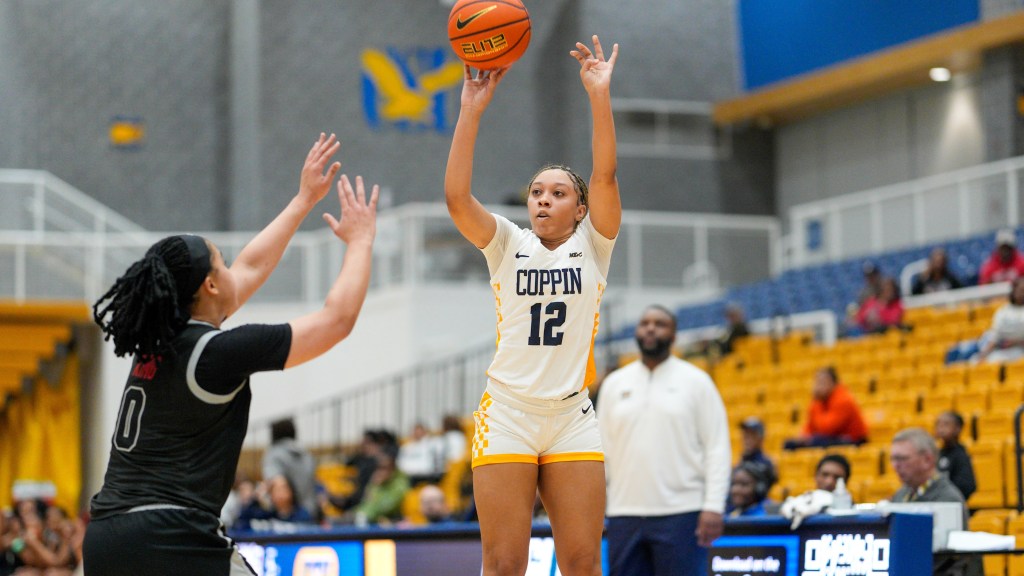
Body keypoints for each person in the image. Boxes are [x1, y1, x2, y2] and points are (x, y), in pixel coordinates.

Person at [82, 133, 379, 576]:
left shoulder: (157, 342)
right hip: (170, 536)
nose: (231, 268)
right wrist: (361, 242)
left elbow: (251, 267)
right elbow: (336, 321)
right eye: (221, 262)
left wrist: (303, 200)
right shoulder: (218, 354)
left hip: (105, 539)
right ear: (210, 285)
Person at [444, 35, 620, 576]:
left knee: (583, 562)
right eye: (537, 191)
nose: (544, 198)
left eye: (558, 193)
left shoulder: (594, 243)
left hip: (571, 414)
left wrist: (598, 95)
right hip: (508, 411)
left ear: (580, 208)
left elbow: (606, 175)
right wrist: (471, 111)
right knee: (503, 564)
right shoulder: (505, 241)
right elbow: (457, 198)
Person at [598, 305, 732, 576]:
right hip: (623, 513)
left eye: (660, 324)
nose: (650, 328)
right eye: (644, 323)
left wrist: (713, 506)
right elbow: (601, 452)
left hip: (682, 513)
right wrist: (596, 508)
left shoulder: (697, 382)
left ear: (673, 335)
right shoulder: (613, 384)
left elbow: (717, 448)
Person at [889, 428, 980, 576]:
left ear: (927, 460)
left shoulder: (948, 499)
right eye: (893, 459)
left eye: (902, 459)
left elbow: (949, 561)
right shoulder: (901, 494)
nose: (895, 465)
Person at [785, 367, 869, 449]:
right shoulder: (820, 400)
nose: (818, 386)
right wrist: (804, 438)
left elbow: (828, 429)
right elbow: (810, 427)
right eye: (817, 382)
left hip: (853, 441)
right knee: (790, 444)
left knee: (817, 441)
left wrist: (816, 402)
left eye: (822, 382)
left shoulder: (843, 399)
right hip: (831, 438)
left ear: (833, 383)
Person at [262, 418, 318, 522]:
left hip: (286, 517)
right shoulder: (307, 455)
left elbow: (275, 482)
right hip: (310, 512)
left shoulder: (273, 454)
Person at [235, 475, 314, 532]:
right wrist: (256, 497)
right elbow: (241, 523)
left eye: (283, 488)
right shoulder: (266, 515)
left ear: (291, 491)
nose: (280, 493)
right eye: (275, 489)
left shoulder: (302, 514)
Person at [977, 277, 1024, 363]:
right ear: (1014, 291)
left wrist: (1015, 342)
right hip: (1003, 351)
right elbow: (995, 336)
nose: (1021, 293)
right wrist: (983, 355)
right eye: (1020, 290)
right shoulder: (1003, 312)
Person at [934, 411, 976, 501]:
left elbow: (968, 486)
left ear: (958, 428)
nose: (941, 429)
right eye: (938, 424)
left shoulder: (961, 455)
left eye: (946, 424)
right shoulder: (937, 454)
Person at [738, 417, 776, 484]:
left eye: (751, 435)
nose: (747, 439)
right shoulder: (741, 462)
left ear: (760, 438)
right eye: (745, 435)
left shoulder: (766, 464)